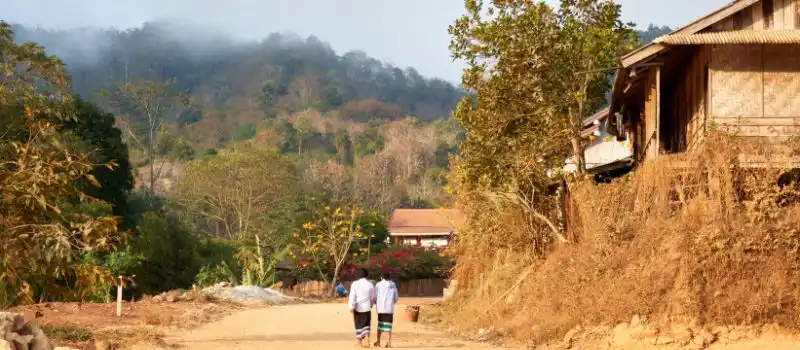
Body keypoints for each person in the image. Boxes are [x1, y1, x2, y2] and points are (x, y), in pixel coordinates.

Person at [348, 268, 374, 348]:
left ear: (359, 275)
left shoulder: (355, 284)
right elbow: (372, 297)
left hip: (358, 307)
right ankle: (367, 338)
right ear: (367, 275)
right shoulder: (370, 284)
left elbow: (352, 295)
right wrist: (371, 305)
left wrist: (350, 306)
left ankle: (359, 342)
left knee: (358, 324)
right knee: (367, 323)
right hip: (367, 307)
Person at [373, 270, 399, 348]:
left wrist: (376, 303)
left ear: (381, 277)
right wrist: (392, 302)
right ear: (389, 277)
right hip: (389, 308)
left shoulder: (378, 285)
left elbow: (374, 297)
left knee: (380, 325)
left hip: (381, 308)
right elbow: (396, 297)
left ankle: (378, 342)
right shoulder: (393, 284)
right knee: (389, 325)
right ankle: (389, 342)